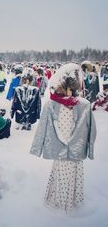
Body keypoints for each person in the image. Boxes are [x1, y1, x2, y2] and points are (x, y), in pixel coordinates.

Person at [30, 63, 97, 212]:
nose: (65, 91)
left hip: (76, 149)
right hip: (58, 148)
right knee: (61, 172)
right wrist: (37, 148)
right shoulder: (51, 104)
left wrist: (90, 149)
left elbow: (92, 129)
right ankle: (59, 203)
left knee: (74, 172)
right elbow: (42, 127)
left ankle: (72, 202)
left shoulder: (84, 105)